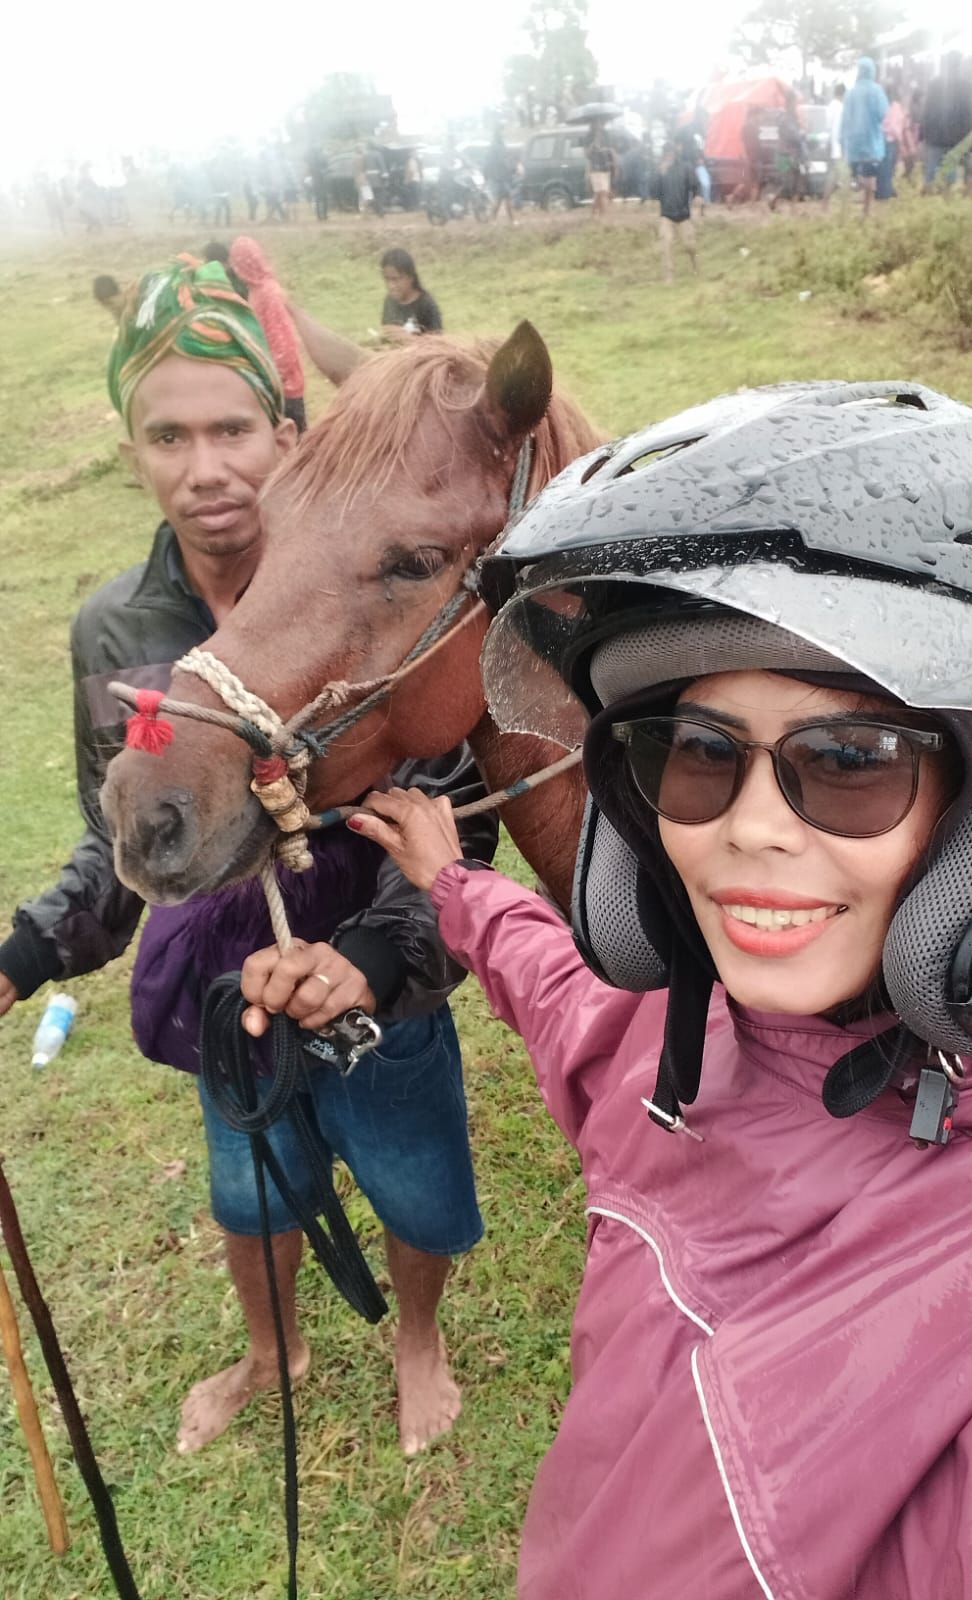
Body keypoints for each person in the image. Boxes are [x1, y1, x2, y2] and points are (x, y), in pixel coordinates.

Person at [335, 383, 972, 1596]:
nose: (745, 830)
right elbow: (563, 1000)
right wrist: (455, 887)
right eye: (695, 753)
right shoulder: (673, 1052)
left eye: (849, 762)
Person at [0, 255, 495, 1458]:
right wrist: (22, 953)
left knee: (414, 1177)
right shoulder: (117, 628)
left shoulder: (375, 567)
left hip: (377, 958)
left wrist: (373, 961)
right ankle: (273, 1350)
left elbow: (452, 802)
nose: (207, 466)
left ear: (289, 436)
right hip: (225, 982)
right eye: (168, 434)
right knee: (250, 1187)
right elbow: (121, 835)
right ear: (131, 449)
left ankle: (415, 1338)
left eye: (233, 427)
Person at [228, 236, 308, 433]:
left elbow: (284, 344)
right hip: (272, 381)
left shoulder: (267, 294)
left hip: (284, 386)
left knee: (294, 442)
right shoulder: (257, 290)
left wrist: (273, 378)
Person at [921, 52, 972, 194]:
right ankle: (946, 201)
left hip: (935, 136)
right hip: (956, 138)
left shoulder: (934, 84)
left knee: (931, 171)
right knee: (949, 171)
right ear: (959, 65)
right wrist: (967, 136)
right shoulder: (967, 86)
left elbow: (927, 110)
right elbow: (969, 113)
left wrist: (923, 134)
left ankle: (928, 202)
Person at [840, 57, 889, 217]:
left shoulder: (850, 93)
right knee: (870, 176)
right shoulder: (876, 91)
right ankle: (866, 211)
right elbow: (884, 115)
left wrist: (843, 141)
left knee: (856, 174)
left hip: (853, 143)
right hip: (871, 141)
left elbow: (845, 120)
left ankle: (848, 207)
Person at [651, 140, 699, 285]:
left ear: (675, 154)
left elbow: (695, 186)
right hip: (666, 215)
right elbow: (653, 193)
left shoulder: (686, 168)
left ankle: (695, 264)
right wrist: (660, 174)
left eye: (671, 153)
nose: (669, 156)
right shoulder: (659, 170)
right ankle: (669, 276)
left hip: (684, 215)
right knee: (666, 243)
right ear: (663, 155)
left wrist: (698, 196)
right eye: (666, 154)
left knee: (689, 245)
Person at [379, 247, 442, 338]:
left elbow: (439, 344)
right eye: (387, 279)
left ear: (410, 277)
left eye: (395, 279)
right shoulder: (389, 301)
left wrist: (407, 339)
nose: (391, 286)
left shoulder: (426, 305)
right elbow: (386, 332)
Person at [484, 129, 516, 224]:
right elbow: (504, 161)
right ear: (499, 135)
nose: (504, 135)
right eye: (502, 133)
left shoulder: (492, 147)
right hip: (501, 177)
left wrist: (486, 176)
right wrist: (512, 169)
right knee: (504, 198)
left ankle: (494, 220)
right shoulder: (499, 147)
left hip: (496, 177)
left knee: (501, 199)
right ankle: (510, 220)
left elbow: (487, 163)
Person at [584, 126, 617, 218]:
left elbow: (612, 152)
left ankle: (594, 214)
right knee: (602, 193)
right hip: (596, 169)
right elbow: (586, 154)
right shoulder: (589, 136)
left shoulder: (606, 134)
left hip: (606, 168)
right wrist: (593, 144)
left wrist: (613, 164)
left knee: (599, 194)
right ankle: (603, 216)